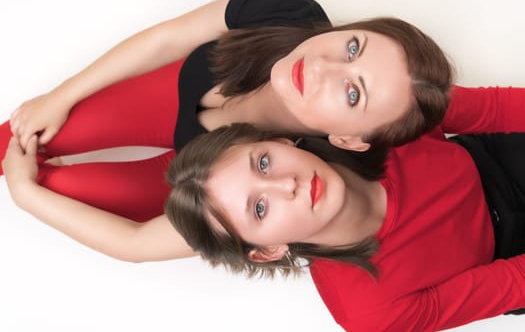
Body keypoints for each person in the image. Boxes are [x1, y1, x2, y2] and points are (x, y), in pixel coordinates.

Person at [1, 0, 452, 261]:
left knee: (49, 188)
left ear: (348, 138)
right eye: (353, 48)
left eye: (352, 93)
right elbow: (167, 39)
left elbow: (135, 243)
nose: (321, 67)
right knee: (14, 138)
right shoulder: (283, 8)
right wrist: (61, 95)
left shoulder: (307, 178)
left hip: (192, 180)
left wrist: (25, 196)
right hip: (168, 93)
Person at [163, 85, 525, 331]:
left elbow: (490, 107)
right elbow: (514, 283)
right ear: (268, 251)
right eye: (259, 208)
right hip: (508, 256)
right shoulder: (369, 311)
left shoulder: (360, 119)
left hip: (494, 158)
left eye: (263, 164)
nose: (287, 184)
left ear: (279, 141)